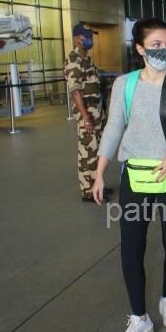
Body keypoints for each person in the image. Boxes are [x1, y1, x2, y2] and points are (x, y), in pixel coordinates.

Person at [92, 18, 166, 332]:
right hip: (136, 173)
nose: (163, 50)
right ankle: (139, 318)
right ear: (139, 49)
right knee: (132, 246)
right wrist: (99, 171)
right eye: (155, 45)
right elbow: (114, 126)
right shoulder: (124, 85)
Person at [64, 22, 106, 202]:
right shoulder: (74, 60)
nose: (89, 39)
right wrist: (86, 117)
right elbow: (75, 91)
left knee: (97, 150)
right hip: (87, 113)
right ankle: (88, 191)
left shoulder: (86, 58)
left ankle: (97, 183)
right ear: (76, 38)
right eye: (86, 36)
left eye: (90, 36)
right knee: (87, 151)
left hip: (95, 111)